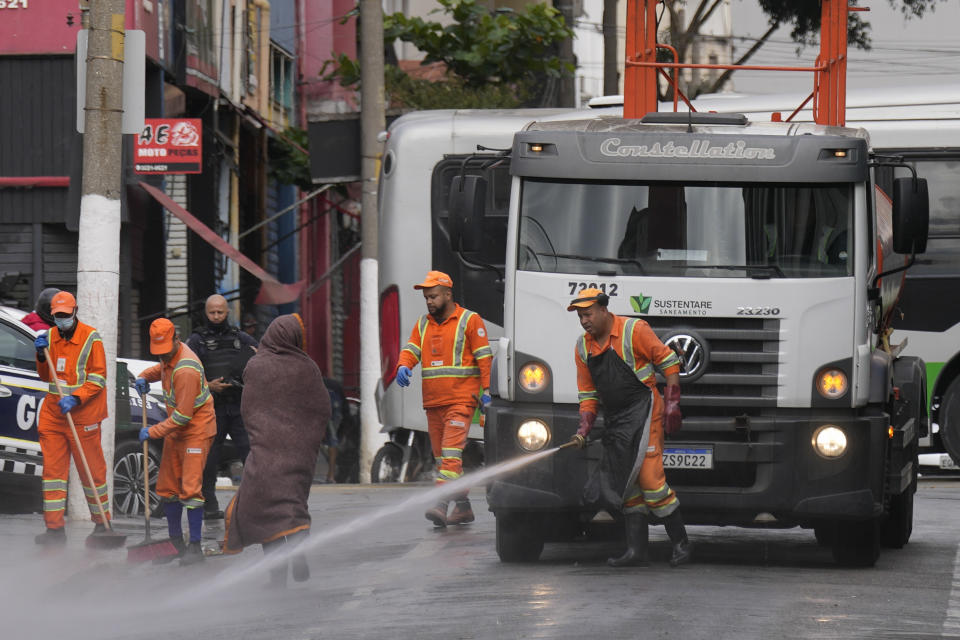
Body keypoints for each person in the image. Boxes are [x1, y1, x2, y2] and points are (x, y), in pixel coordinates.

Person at [566, 287, 692, 568]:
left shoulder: (634, 330)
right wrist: (584, 429)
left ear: (603, 310)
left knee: (651, 482)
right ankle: (637, 552)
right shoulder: (582, 347)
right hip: (617, 419)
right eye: (580, 317)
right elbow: (588, 395)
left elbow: (669, 363)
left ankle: (681, 545)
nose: (584, 321)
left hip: (646, 412)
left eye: (588, 314)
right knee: (628, 484)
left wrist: (672, 403)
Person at [222, 314, 330, 588]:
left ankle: (277, 576)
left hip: (267, 452)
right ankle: (298, 548)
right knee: (292, 504)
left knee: (264, 511)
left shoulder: (257, 366)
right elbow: (322, 409)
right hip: (299, 454)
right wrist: (306, 439)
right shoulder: (308, 367)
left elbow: (249, 409)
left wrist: (261, 436)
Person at [394, 270, 492, 527]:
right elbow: (411, 349)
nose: (429, 301)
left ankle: (440, 503)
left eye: (434, 296)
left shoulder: (470, 321)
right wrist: (403, 365)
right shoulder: (423, 324)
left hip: (461, 400)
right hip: (434, 404)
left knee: (449, 456)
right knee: (444, 460)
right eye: (426, 297)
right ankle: (463, 507)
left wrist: (488, 392)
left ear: (448, 295)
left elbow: (484, 358)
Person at [32, 291, 112, 545]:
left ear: (75, 311)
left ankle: (102, 524)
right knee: (53, 474)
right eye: (58, 316)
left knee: (92, 474)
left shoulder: (91, 339)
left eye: (66, 315)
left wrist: (76, 398)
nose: (62, 319)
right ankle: (54, 529)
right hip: (54, 415)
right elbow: (46, 376)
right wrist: (41, 356)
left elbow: (98, 378)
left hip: (83, 416)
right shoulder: (51, 337)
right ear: (53, 315)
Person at [135, 318, 217, 565]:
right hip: (176, 429)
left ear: (176, 340)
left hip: (195, 430)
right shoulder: (168, 356)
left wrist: (153, 431)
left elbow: (183, 416)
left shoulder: (187, 370)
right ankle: (174, 543)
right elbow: (160, 368)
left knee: (190, 489)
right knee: (167, 487)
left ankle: (194, 546)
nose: (162, 355)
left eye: (165, 350)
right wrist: (143, 377)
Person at [185, 294, 257, 520]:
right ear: (205, 313)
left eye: (220, 312)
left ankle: (255, 503)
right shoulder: (196, 341)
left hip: (238, 408)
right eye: (212, 313)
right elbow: (185, 374)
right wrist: (208, 385)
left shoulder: (241, 338)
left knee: (252, 456)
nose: (216, 317)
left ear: (227, 313)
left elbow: (261, 359)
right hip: (211, 410)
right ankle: (209, 505)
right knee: (208, 460)